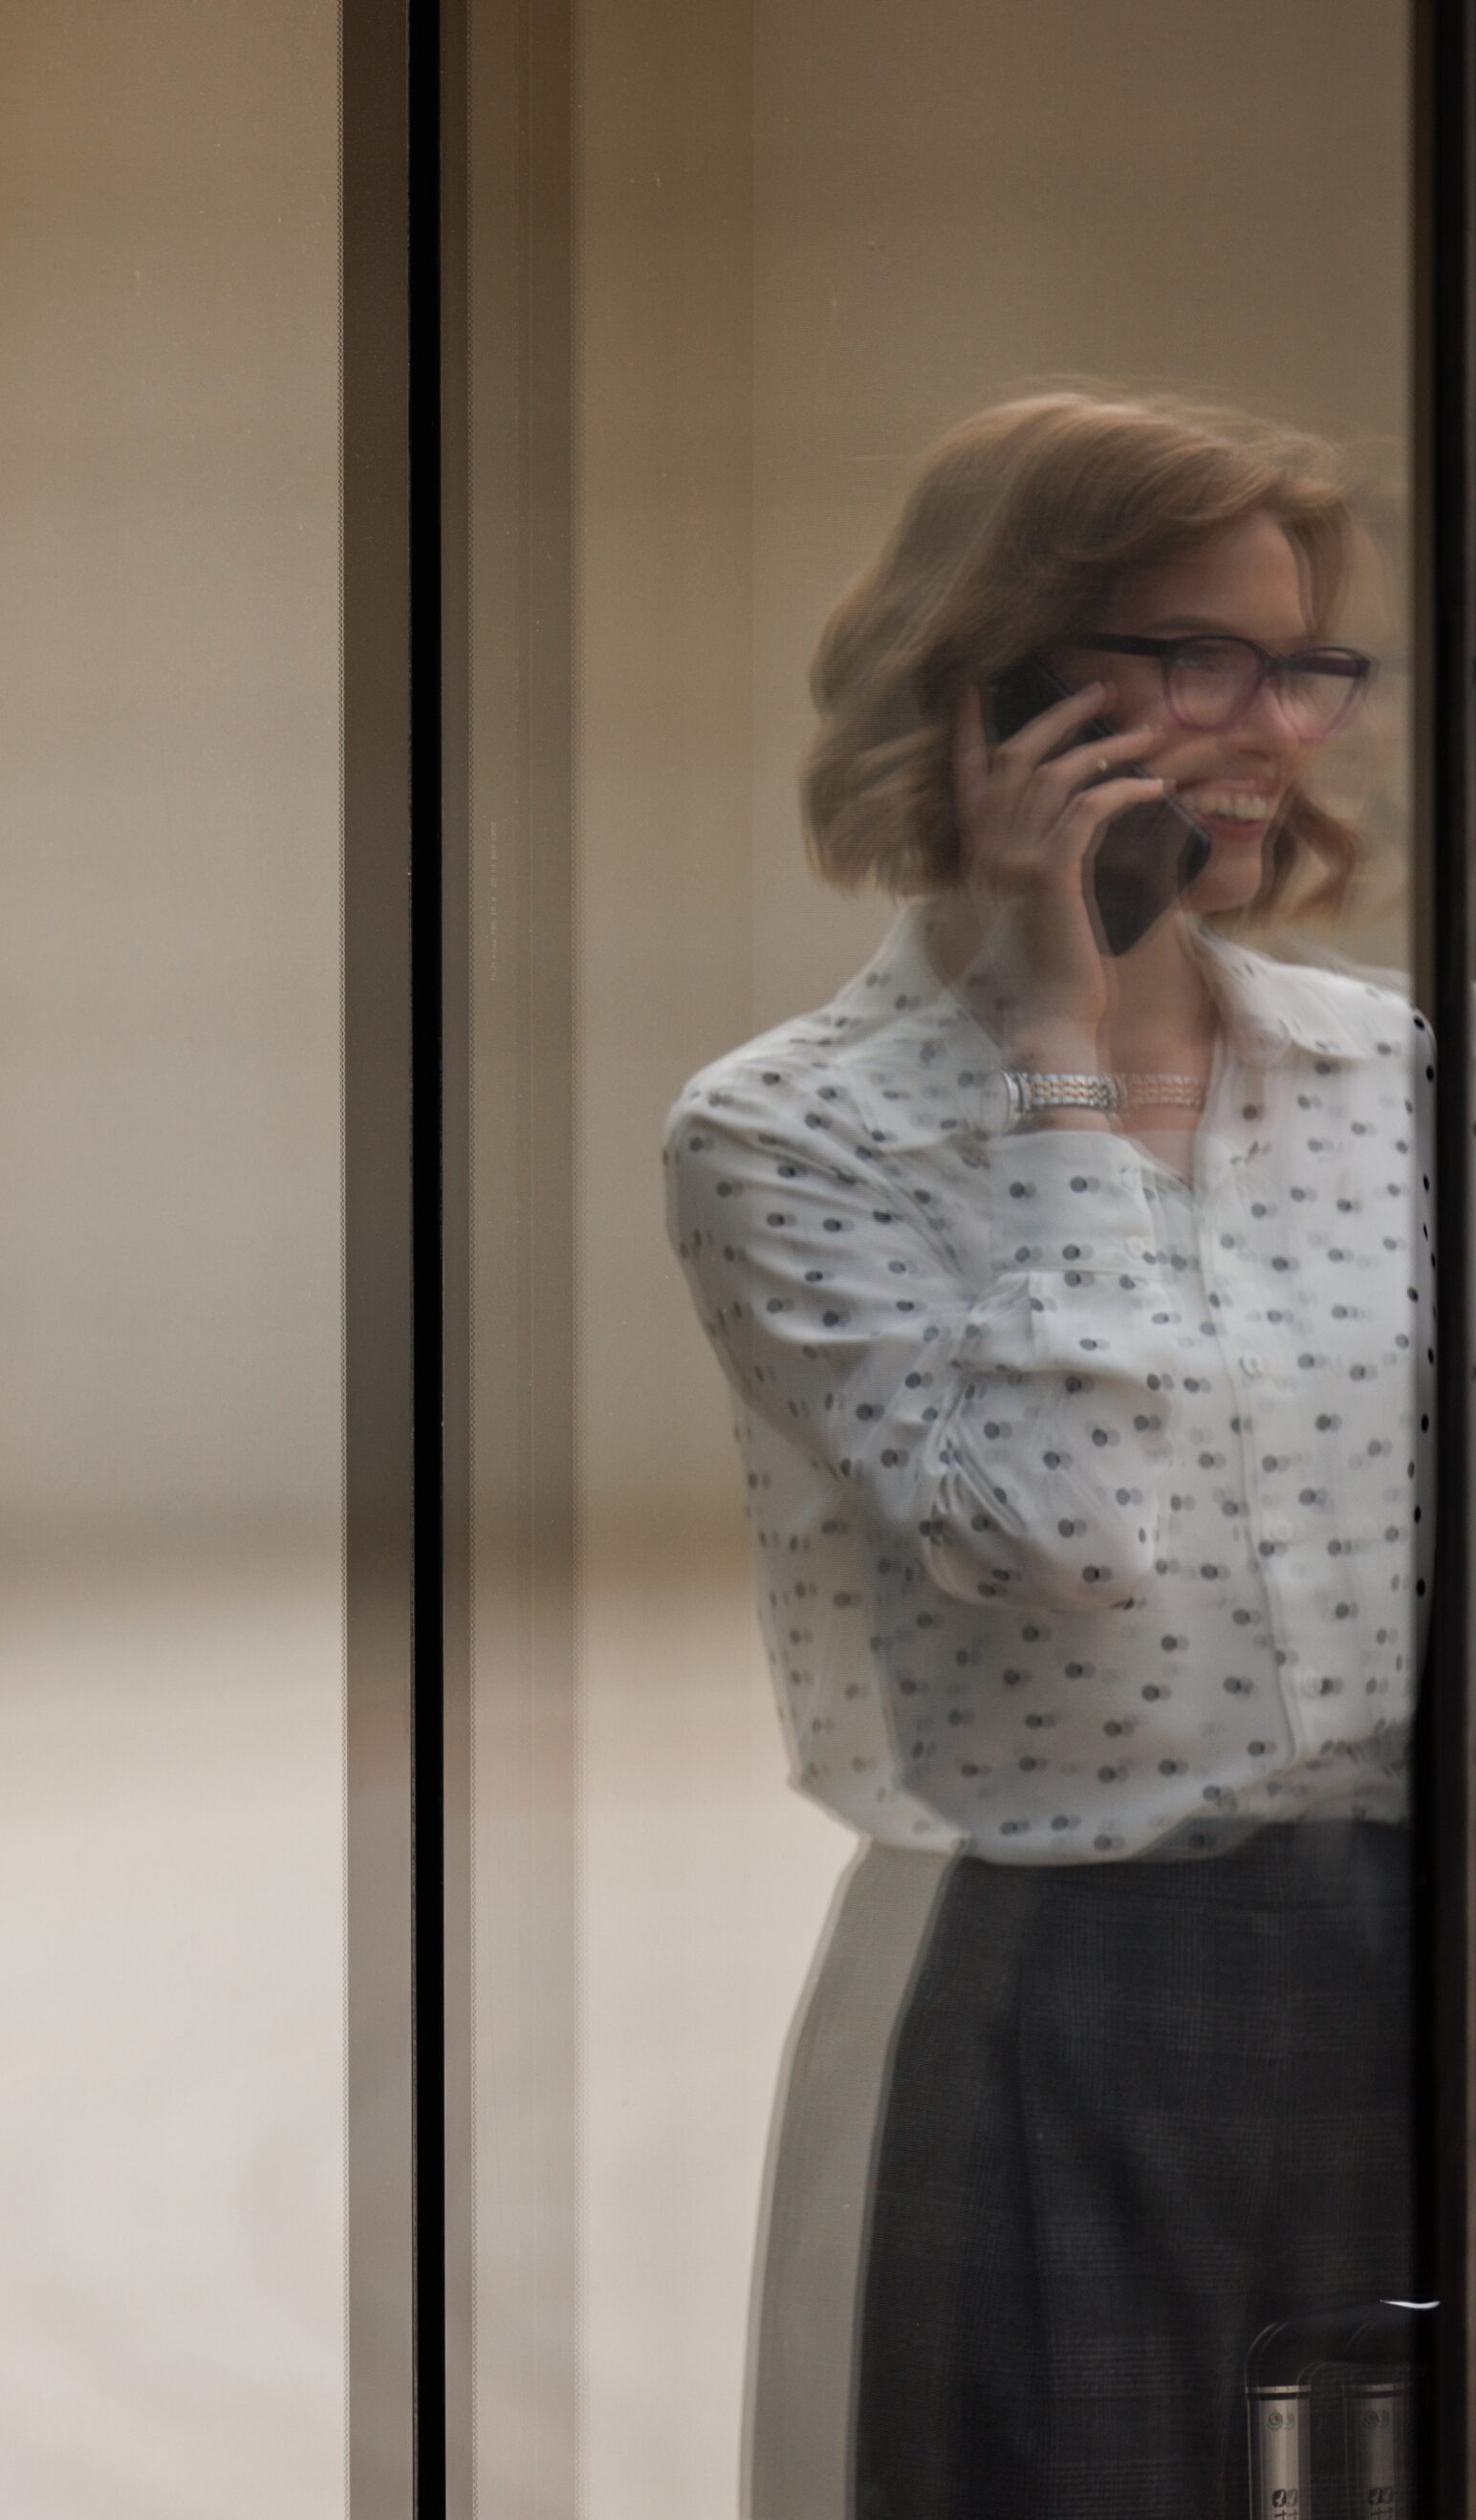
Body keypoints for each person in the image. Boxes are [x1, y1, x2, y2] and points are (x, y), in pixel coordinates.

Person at [666, 392, 1419, 2518]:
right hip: (1062, 1984)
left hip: (1411, 1954)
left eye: (1299, 665)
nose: (1269, 726)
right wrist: (1054, 1067)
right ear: (992, 683)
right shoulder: (794, 1131)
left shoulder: (1395, 1080)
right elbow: (1061, 1537)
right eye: (1197, 659)